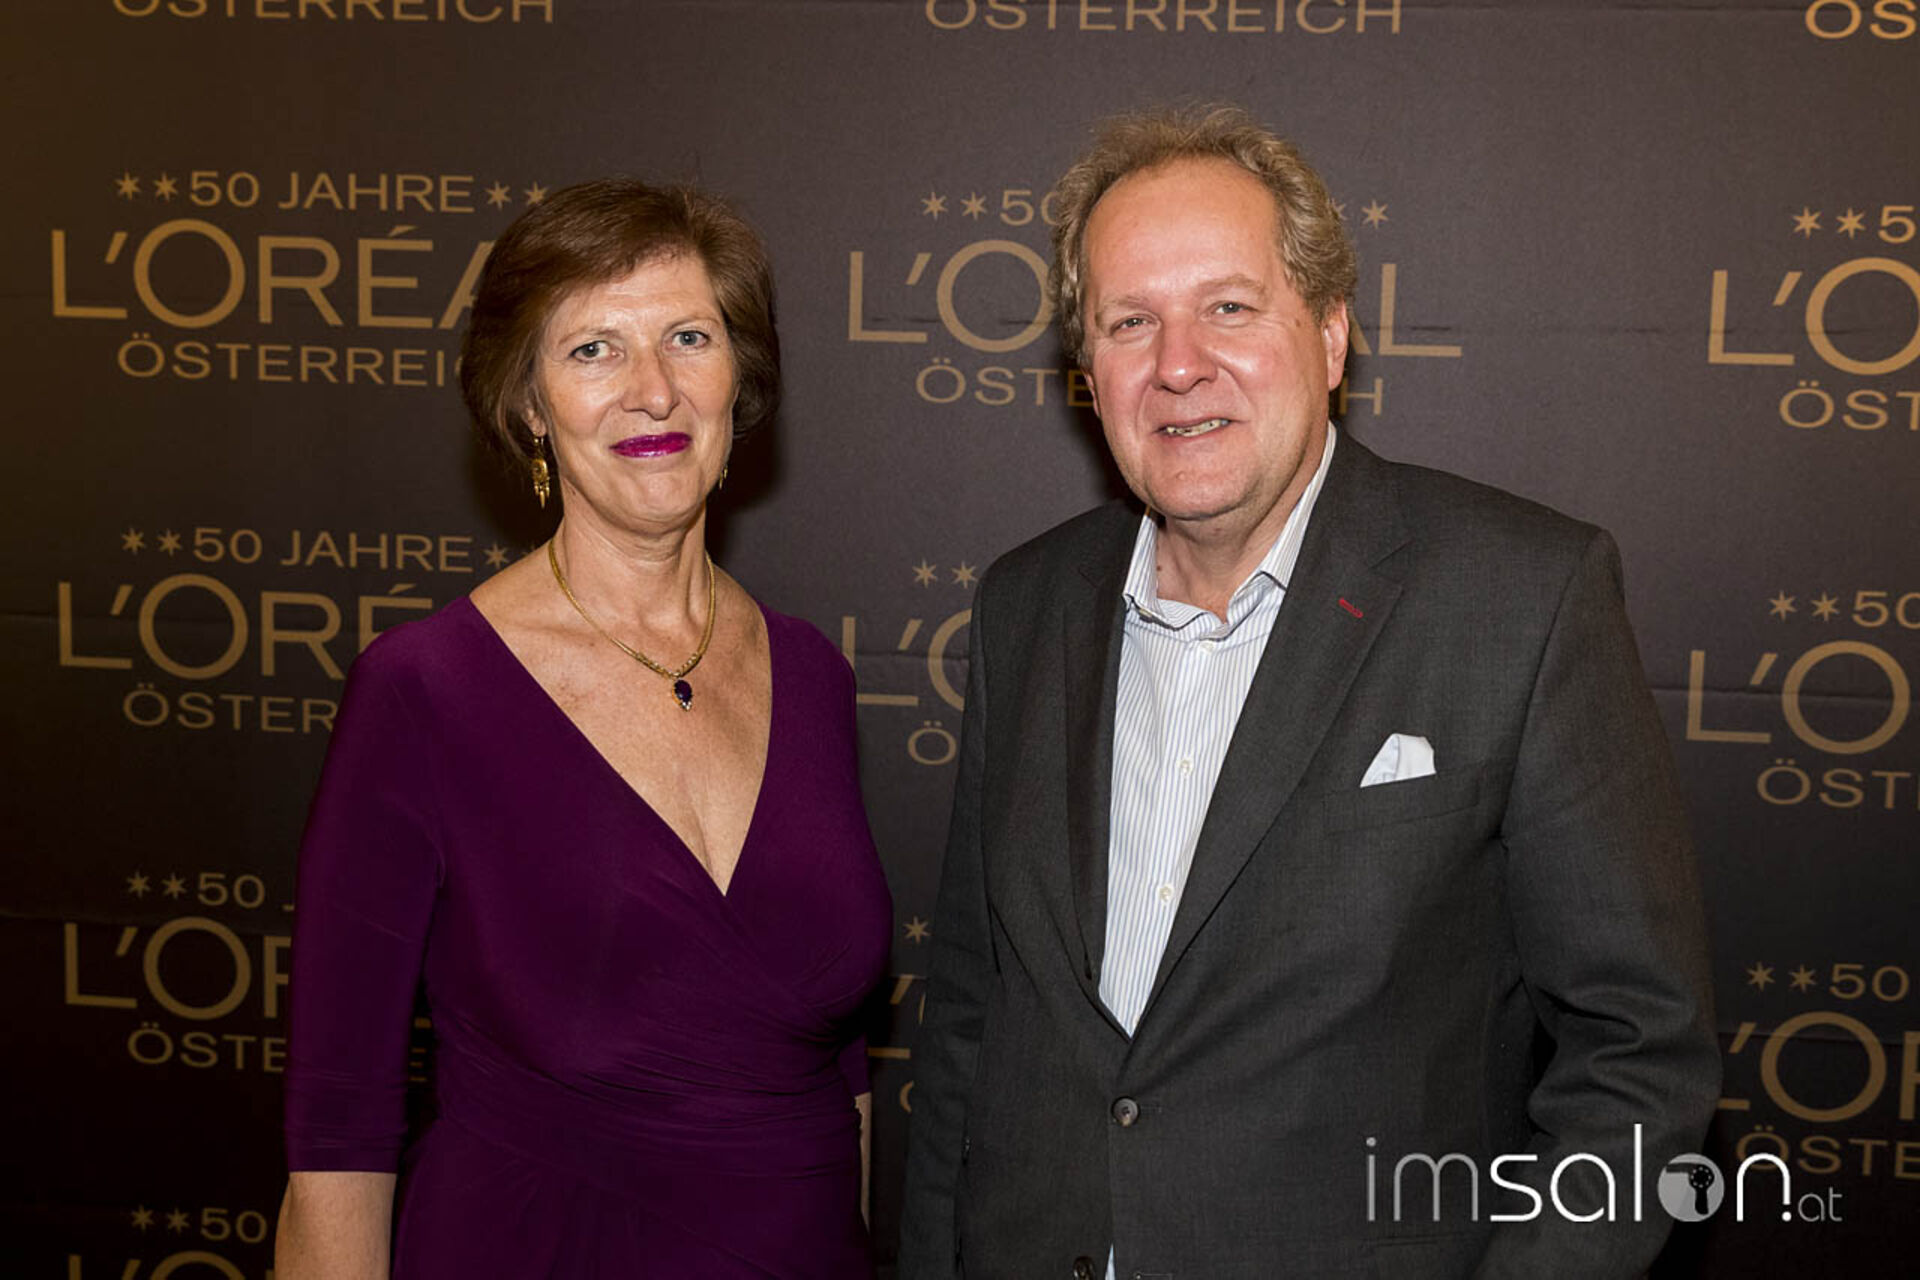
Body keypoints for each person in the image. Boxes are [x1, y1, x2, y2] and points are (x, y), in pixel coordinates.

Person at [898, 106, 1719, 1279]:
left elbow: (1641, 1057)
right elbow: (970, 1025)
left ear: (1332, 335)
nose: (1179, 362)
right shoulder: (1025, 605)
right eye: (1130, 321)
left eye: (1229, 307)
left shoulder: (1520, 597)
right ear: (1089, 370)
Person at [275, 179, 891, 1278]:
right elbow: (338, 1130)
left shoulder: (813, 675)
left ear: (739, 378)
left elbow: (842, 1073)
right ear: (529, 405)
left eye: (689, 337)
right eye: (594, 349)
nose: (653, 390)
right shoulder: (423, 690)